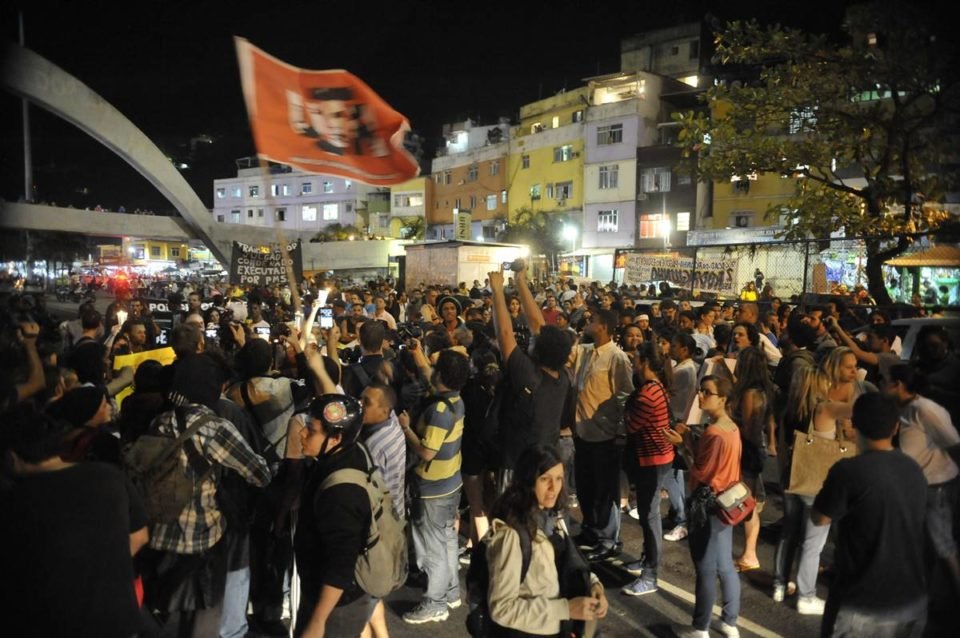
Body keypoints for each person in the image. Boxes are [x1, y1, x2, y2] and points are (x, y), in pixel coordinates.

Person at [0, 403, 149, 638]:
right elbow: (140, 536)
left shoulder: (15, 502)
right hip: (120, 620)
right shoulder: (109, 476)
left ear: (10, 458)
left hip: (55, 625)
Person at [812, 393, 928, 637]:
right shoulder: (914, 469)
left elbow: (820, 518)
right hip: (911, 598)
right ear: (896, 427)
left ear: (854, 425)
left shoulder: (848, 471)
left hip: (862, 601)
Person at [485, 444, 607, 637]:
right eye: (545, 479)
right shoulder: (511, 536)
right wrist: (566, 609)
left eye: (559, 479)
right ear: (528, 481)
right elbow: (501, 609)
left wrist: (594, 586)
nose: (554, 488)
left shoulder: (551, 519)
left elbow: (565, 563)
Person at [294, 393, 389, 638]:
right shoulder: (349, 450)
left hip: (336, 605)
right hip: (336, 596)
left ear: (336, 438)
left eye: (311, 431)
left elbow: (340, 565)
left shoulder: (342, 493)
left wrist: (317, 622)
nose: (302, 434)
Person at [665, 375, 742, 638]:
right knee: (725, 565)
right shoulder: (732, 428)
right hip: (728, 503)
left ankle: (700, 628)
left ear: (723, 399)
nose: (701, 396)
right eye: (701, 391)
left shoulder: (714, 431)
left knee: (706, 568)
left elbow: (701, 471)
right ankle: (730, 622)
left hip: (708, 505)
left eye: (707, 392)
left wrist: (682, 445)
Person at [772, 367, 853, 614]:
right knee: (813, 542)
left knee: (789, 532)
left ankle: (779, 584)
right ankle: (806, 596)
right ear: (820, 384)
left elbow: (784, 445)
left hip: (793, 478)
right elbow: (863, 410)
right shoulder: (824, 408)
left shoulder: (789, 410)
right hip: (815, 482)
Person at [399, 349, 470, 624]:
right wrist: (417, 352)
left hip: (433, 488)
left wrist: (406, 428)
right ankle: (450, 591)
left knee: (432, 549)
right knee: (447, 541)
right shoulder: (455, 400)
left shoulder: (440, 410)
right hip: (451, 483)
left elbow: (427, 452)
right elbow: (430, 377)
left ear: (442, 375)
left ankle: (435, 603)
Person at [885, 364, 960, 595]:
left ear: (898, 385)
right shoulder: (901, 407)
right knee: (922, 543)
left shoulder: (925, 410)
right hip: (917, 486)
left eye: (886, 382)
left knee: (942, 544)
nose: (881, 385)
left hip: (936, 485)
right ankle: (923, 591)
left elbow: (954, 443)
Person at [568, 309, 635, 561]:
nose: (589, 322)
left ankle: (609, 539)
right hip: (582, 431)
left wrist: (618, 430)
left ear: (604, 326)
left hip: (604, 434)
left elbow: (625, 394)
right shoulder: (585, 351)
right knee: (586, 485)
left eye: (593, 320)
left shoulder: (616, 357)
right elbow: (564, 356)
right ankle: (591, 529)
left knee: (606, 490)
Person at [620, 342, 674, 596]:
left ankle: (650, 575)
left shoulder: (645, 395)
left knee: (650, 516)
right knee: (647, 514)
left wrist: (625, 411)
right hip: (658, 457)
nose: (633, 362)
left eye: (636, 359)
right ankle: (646, 560)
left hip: (652, 460)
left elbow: (631, 426)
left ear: (645, 364)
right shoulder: (656, 388)